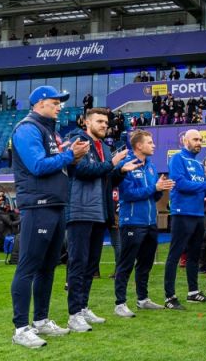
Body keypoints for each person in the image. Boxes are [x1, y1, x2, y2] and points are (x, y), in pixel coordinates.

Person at [10, 86, 91, 348]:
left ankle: (41, 320)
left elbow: (55, 162)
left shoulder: (49, 131)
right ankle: (21, 328)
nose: (59, 107)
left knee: (47, 267)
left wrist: (71, 156)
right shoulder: (27, 128)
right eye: (55, 103)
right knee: (28, 266)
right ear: (40, 103)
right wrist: (70, 155)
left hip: (55, 204)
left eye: (60, 103)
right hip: (38, 205)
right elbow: (37, 165)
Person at [64, 108, 134, 332]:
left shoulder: (104, 147)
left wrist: (120, 170)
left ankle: (83, 307)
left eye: (107, 122)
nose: (105, 125)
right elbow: (83, 170)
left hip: (98, 212)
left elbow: (106, 179)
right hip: (79, 210)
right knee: (78, 262)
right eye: (100, 121)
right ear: (86, 123)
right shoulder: (79, 141)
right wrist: (112, 163)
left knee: (91, 264)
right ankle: (74, 313)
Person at [113, 130, 174, 318]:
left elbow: (153, 196)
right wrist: (153, 188)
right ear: (138, 145)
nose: (154, 145)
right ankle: (120, 303)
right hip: (132, 221)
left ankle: (142, 299)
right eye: (149, 142)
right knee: (126, 263)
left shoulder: (151, 166)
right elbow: (128, 194)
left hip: (149, 222)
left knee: (146, 263)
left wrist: (160, 188)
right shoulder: (126, 165)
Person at [164, 130, 206, 310]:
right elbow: (180, 183)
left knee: (195, 255)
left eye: (201, 140)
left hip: (197, 214)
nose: (199, 143)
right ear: (184, 141)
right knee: (175, 254)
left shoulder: (197, 163)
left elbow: (205, 191)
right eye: (195, 139)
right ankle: (170, 297)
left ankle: (193, 292)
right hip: (182, 212)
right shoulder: (178, 159)